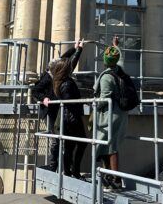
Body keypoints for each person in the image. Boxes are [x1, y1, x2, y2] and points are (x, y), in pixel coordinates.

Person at [32, 40, 84, 171]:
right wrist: (43, 98)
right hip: (51, 111)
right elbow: (35, 90)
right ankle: (53, 164)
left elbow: (66, 60)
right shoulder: (48, 77)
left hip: (61, 111)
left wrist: (76, 49)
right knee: (56, 139)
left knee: (65, 140)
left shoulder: (60, 74)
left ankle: (65, 167)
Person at [94, 36, 127, 190]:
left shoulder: (107, 77)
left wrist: (93, 103)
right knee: (107, 145)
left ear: (105, 61)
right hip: (119, 113)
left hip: (109, 115)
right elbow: (119, 60)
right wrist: (115, 46)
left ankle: (116, 180)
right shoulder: (119, 71)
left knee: (110, 146)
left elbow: (104, 99)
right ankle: (109, 176)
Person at [50, 57, 87, 178]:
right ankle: (73, 170)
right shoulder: (66, 83)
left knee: (70, 146)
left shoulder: (61, 81)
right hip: (72, 118)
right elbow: (69, 102)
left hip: (68, 118)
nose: (71, 67)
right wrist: (82, 102)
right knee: (81, 143)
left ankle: (69, 171)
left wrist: (78, 51)